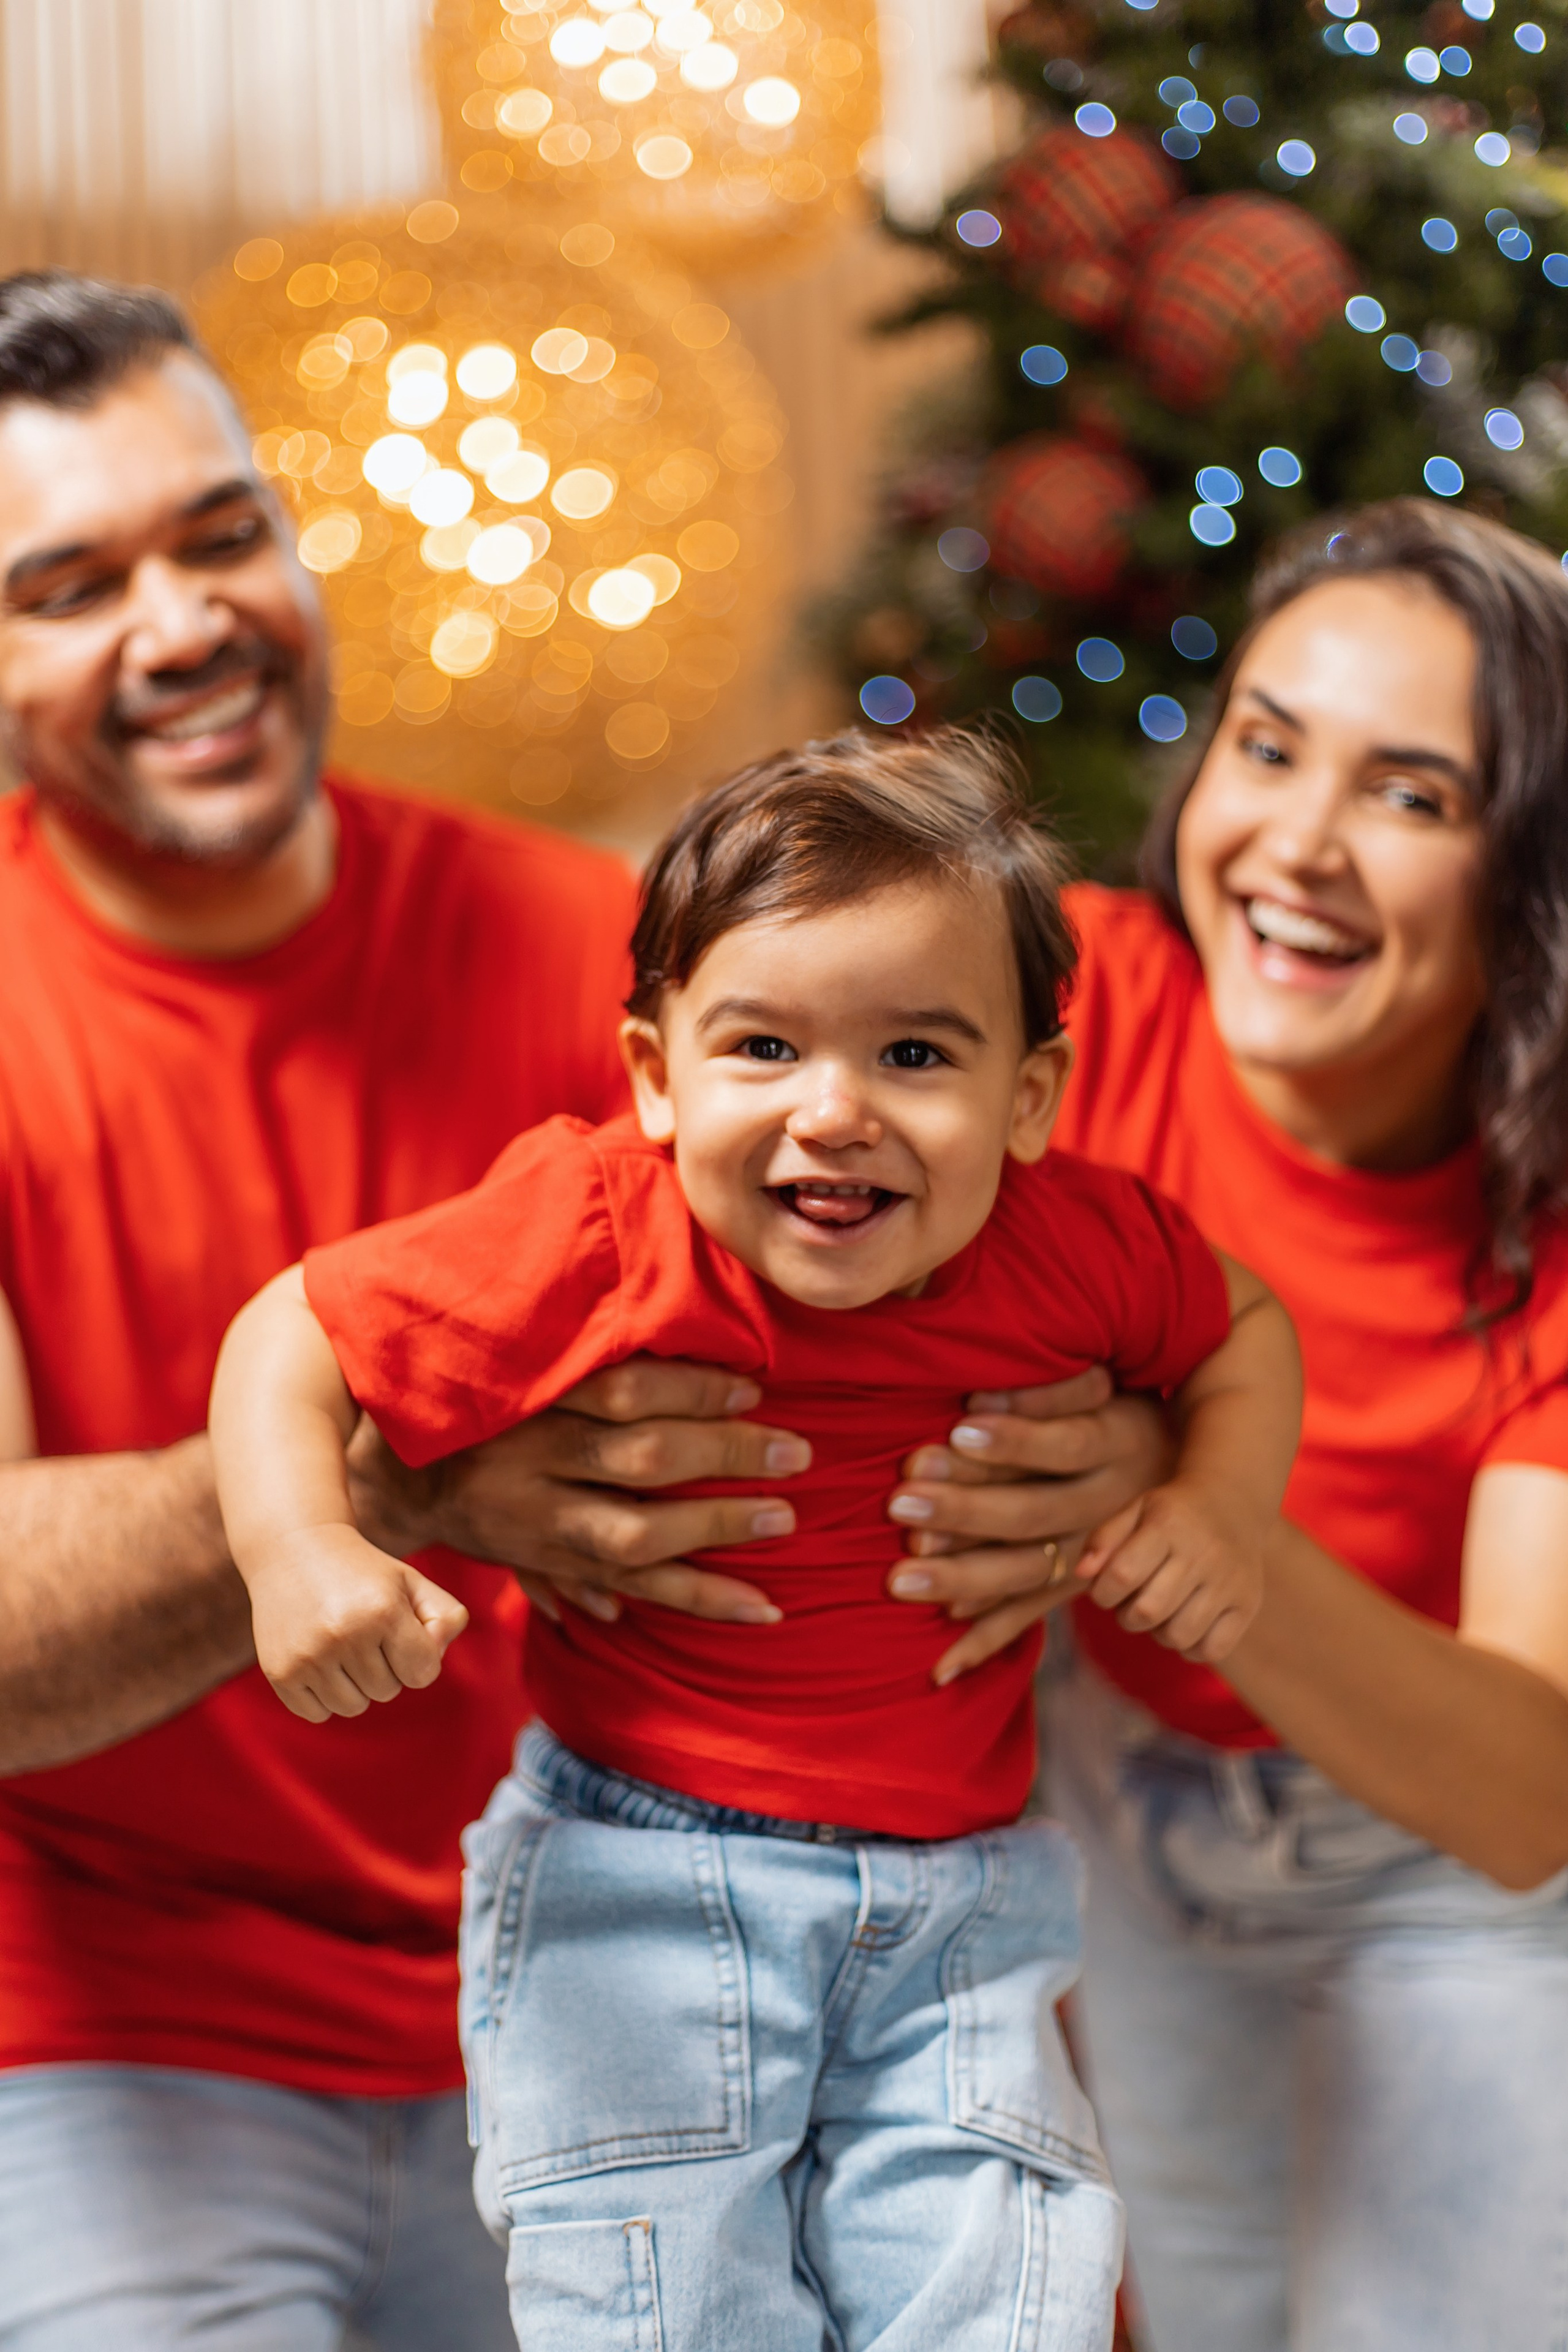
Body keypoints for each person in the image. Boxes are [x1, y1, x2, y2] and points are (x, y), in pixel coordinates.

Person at [0, 268, 1106, 2348]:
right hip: (123, 2029)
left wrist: (1134, 1444)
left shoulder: (634, 965)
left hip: (657, 1964)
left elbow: (1038, 1222)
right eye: (66, 585)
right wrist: (398, 1487)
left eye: (221, 533)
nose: (182, 623)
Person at [208, 734, 1302, 2352]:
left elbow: (1247, 1331)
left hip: (957, 1908)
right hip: (639, 1883)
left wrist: (1215, 1502)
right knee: (670, 2306)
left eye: (917, 1055)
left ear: (1030, 1097)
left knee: (1015, 2299)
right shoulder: (595, 1228)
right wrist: (297, 1543)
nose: (834, 1111)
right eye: (764, 1047)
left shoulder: (1081, 1244)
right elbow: (294, 1330)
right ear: (658, 1075)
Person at [878, 500, 1568, 2352]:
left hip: (1447, 1886)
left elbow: (1527, 1794)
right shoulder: (1072, 1003)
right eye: (1269, 749)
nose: (1298, 845)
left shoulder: (1552, 1223)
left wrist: (1186, 1509)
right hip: (1127, 1819)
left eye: (1413, 797)